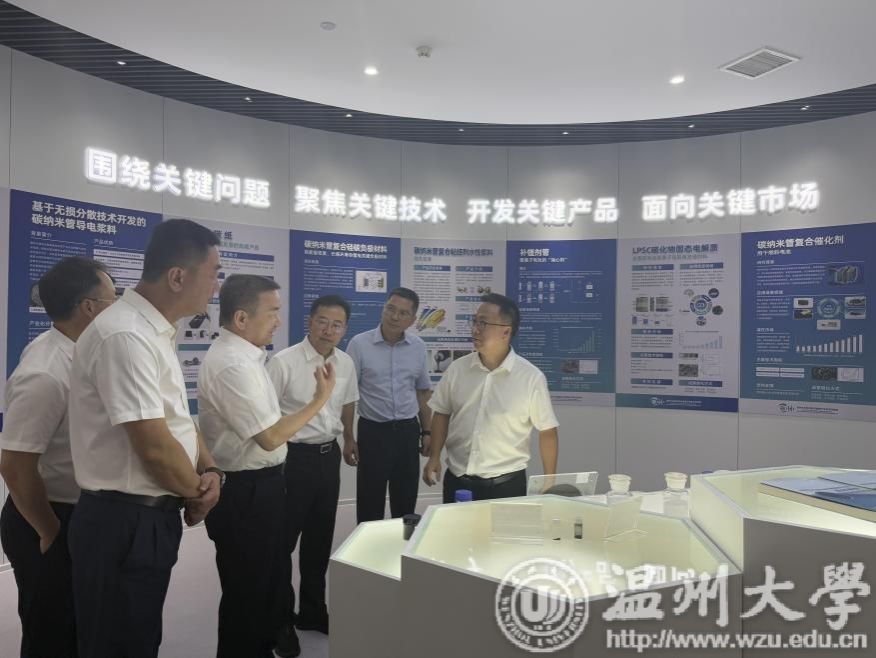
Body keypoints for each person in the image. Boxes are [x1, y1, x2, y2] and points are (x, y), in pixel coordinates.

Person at [67, 219, 223, 658]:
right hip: (123, 522)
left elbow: (177, 420)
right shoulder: (126, 335)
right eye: (213, 273)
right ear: (177, 277)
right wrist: (198, 493)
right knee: (119, 643)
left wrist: (209, 469)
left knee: (137, 638)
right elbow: (153, 446)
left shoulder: (154, 331)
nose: (216, 287)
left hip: (144, 517)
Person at [198, 275, 336, 658]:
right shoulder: (232, 365)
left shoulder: (249, 357)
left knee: (266, 590)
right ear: (242, 318)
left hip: (266, 486)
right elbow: (271, 437)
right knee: (247, 598)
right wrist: (319, 399)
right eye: (272, 312)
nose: (278, 321)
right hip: (245, 492)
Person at [0, 257, 116, 658]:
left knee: (83, 627)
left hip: (81, 513)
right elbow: (15, 466)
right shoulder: (45, 372)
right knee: (52, 632)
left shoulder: (85, 351)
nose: (119, 307)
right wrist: (49, 530)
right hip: (47, 515)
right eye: (113, 299)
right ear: (89, 307)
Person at [267, 294, 359, 640]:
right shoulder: (284, 362)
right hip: (292, 459)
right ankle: (280, 621)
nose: (328, 330)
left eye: (337, 324)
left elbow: (347, 402)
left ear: (344, 329)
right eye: (322, 321)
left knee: (319, 541)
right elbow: (267, 416)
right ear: (310, 321)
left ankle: (312, 611)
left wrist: (348, 437)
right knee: (282, 542)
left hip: (327, 457)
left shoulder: (345, 363)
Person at [423, 293, 559, 502]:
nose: (475, 329)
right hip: (458, 480)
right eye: (475, 321)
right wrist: (434, 457)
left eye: (483, 323)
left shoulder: (531, 378)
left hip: (506, 485)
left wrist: (549, 480)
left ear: (506, 332)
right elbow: (442, 413)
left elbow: (547, 431)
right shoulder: (458, 369)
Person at [346, 287, 432, 523]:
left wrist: (427, 432)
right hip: (373, 432)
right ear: (383, 309)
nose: (395, 317)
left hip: (407, 431)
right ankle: (367, 547)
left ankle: (402, 546)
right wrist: (348, 437)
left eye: (403, 313)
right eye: (390, 309)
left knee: (405, 503)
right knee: (369, 502)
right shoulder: (359, 344)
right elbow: (348, 395)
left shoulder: (418, 346)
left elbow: (422, 391)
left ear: (412, 320)